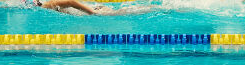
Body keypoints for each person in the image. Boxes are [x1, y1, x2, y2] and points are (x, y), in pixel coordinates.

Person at [25, 0, 154, 15]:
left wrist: (91, 12)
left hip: (93, 11)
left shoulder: (46, 6)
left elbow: (71, 2)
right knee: (132, 9)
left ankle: (164, 8)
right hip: (91, 8)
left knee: (130, 11)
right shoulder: (45, 4)